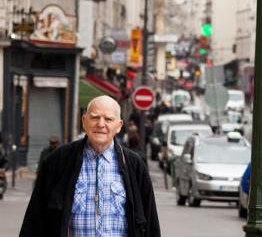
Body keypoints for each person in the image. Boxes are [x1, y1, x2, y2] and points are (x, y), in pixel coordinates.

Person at [20, 95, 161, 237]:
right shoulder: (58, 161)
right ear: (84, 121)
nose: (100, 124)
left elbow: (150, 222)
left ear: (119, 126)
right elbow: (35, 221)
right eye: (94, 117)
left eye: (108, 119)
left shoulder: (135, 166)